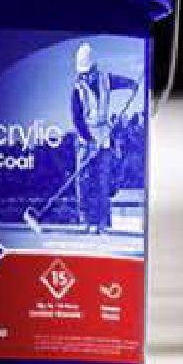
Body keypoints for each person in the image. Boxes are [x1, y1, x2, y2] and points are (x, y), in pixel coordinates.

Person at [69, 43, 137, 233]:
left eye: (88, 72)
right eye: (82, 73)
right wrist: (88, 140)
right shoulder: (77, 90)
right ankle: (84, 219)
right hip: (85, 139)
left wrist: (132, 84)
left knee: (102, 179)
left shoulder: (105, 80)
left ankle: (102, 223)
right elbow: (77, 118)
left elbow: (121, 82)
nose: (85, 76)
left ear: (94, 68)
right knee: (83, 179)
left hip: (104, 136)